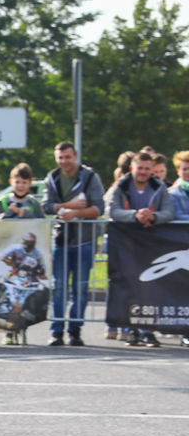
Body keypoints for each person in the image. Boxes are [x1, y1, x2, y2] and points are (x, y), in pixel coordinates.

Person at [107, 151, 173, 348]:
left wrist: (153, 216)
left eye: (147, 169)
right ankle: (130, 331)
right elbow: (112, 210)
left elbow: (169, 212)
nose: (143, 172)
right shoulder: (120, 186)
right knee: (129, 287)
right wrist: (135, 215)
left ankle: (148, 332)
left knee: (150, 288)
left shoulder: (159, 187)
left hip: (150, 244)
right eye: (140, 168)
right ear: (131, 168)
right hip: (126, 243)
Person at [43, 140, 105, 346]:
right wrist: (69, 206)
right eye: (60, 157)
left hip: (84, 241)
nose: (64, 161)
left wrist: (77, 213)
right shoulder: (52, 178)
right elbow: (47, 206)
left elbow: (98, 208)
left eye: (68, 157)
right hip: (60, 241)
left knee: (80, 289)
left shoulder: (90, 177)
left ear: (75, 157)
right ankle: (57, 331)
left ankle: (75, 330)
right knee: (58, 288)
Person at [170, 151, 189, 221]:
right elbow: (177, 216)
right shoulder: (173, 194)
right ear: (178, 171)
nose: (188, 172)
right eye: (185, 169)